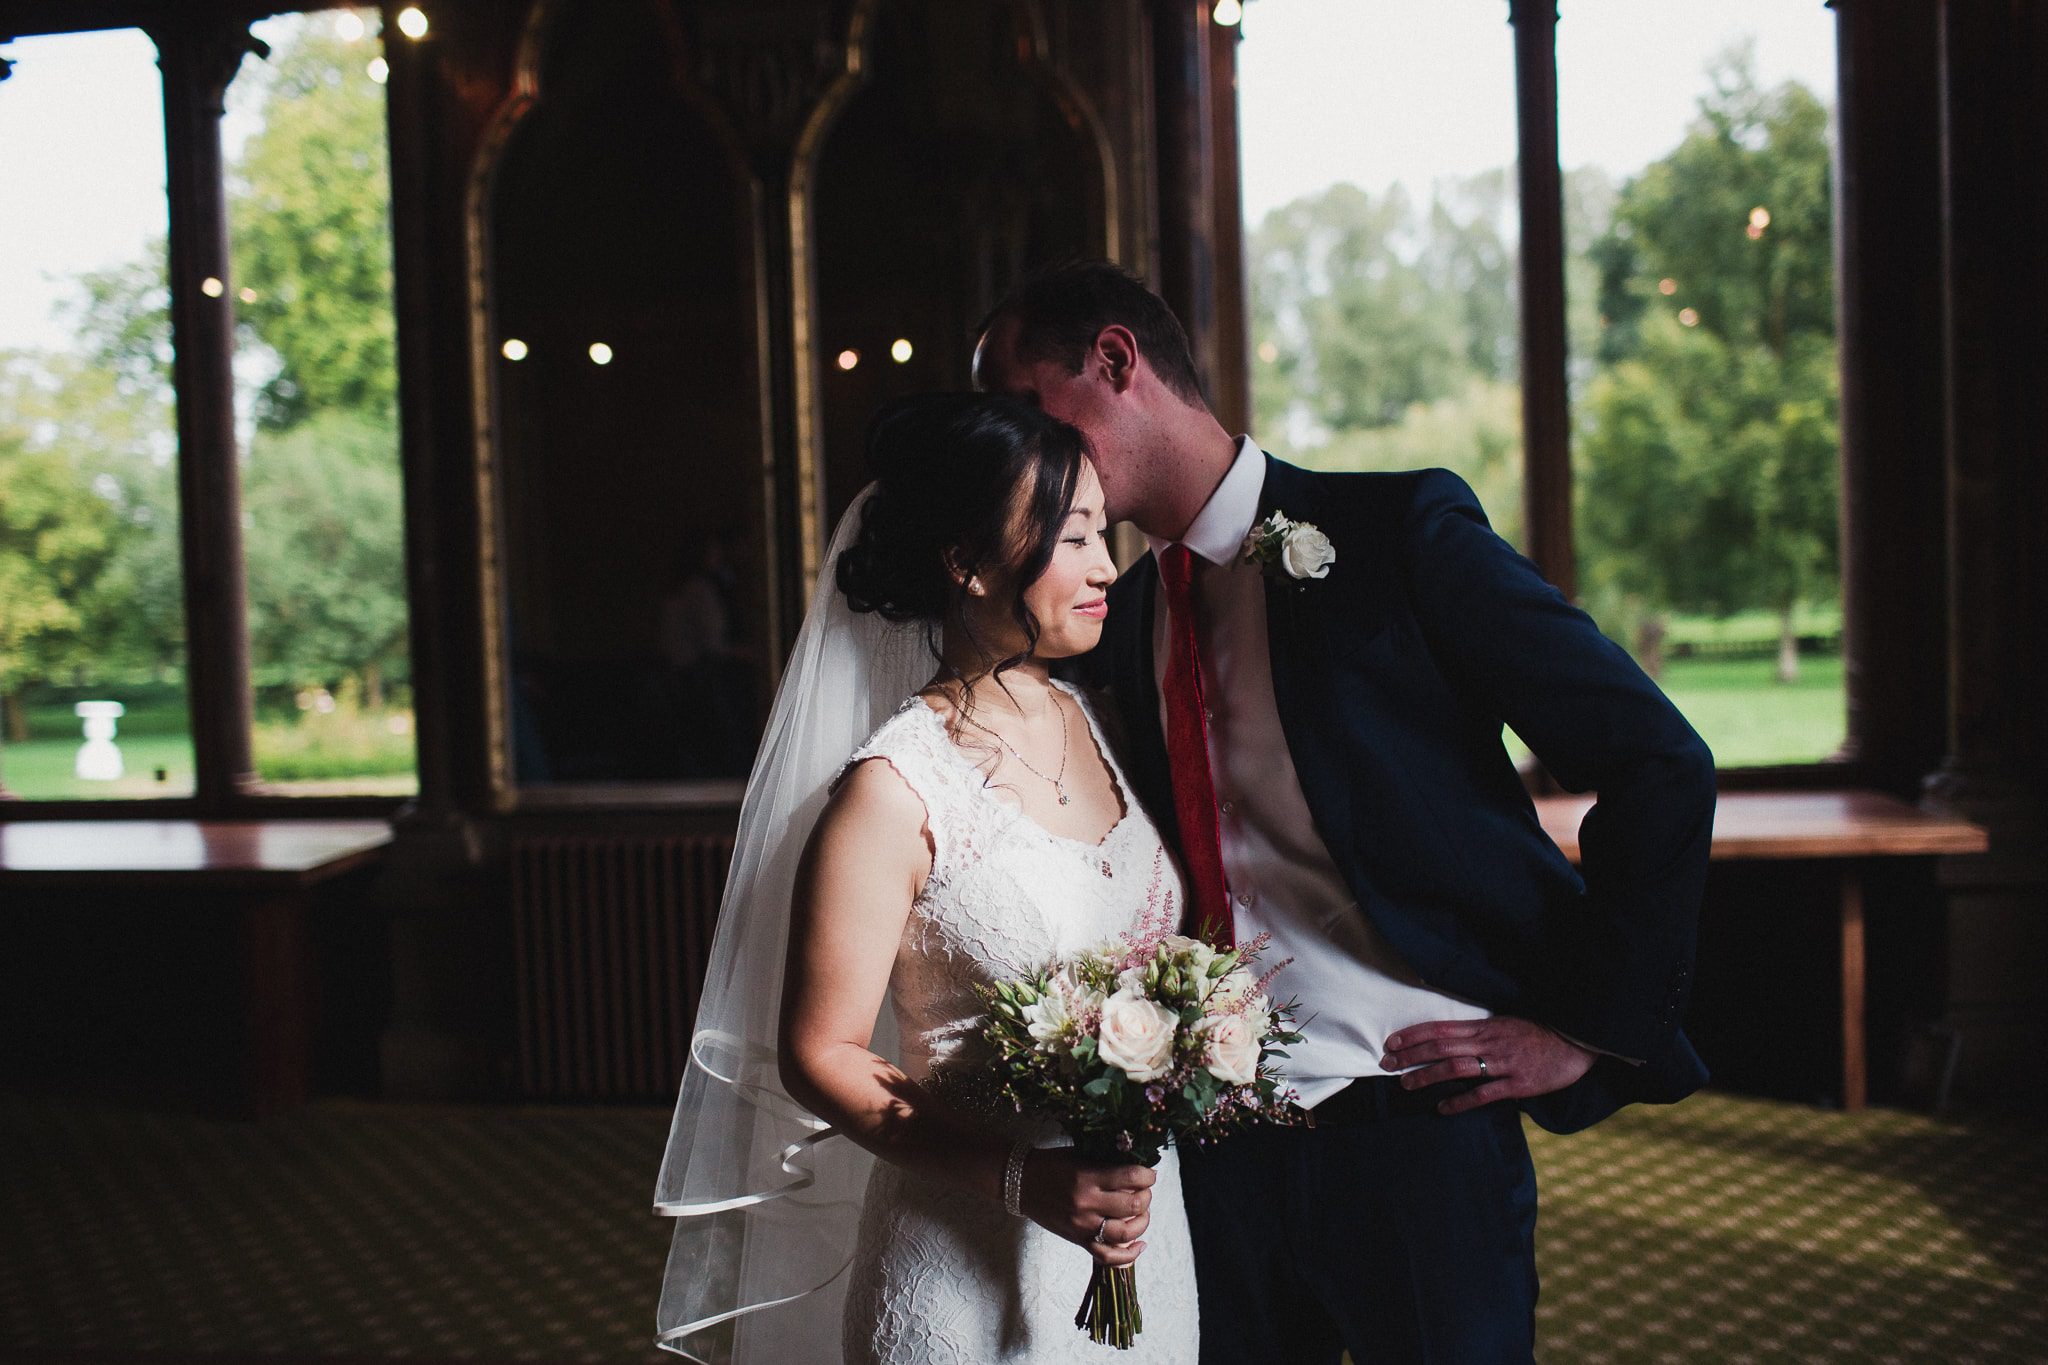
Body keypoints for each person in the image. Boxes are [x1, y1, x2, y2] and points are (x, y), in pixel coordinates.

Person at [974, 260, 1718, 1364]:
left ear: (1116, 361)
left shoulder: (1395, 532)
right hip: (1215, 1157)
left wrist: (1582, 1027)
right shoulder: (1116, 623)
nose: (1020, 455)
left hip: (1417, 1134)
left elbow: (1658, 759)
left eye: (1029, 411)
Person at [652, 393, 1200, 1363]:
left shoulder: (1098, 722)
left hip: (1138, 1255)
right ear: (967, 562)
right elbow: (820, 1052)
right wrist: (1020, 1179)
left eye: (1100, 533)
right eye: (1072, 537)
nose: (1105, 566)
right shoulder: (893, 790)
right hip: (958, 1268)